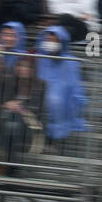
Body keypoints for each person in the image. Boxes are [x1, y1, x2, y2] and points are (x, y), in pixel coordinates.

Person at [33, 24, 87, 152]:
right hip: (41, 105)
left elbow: (76, 86)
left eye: (54, 40)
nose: (51, 43)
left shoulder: (71, 62)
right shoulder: (39, 59)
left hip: (64, 107)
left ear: (62, 41)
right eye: (48, 40)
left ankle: (57, 143)